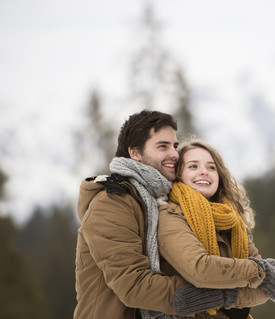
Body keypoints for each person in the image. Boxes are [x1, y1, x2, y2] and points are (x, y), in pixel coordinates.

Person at [74, 110, 258, 319]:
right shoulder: (111, 203)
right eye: (163, 146)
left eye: (175, 146)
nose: (174, 154)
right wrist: (222, 289)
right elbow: (134, 285)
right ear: (135, 152)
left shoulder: (164, 201)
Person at [155, 139, 275, 318]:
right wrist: (262, 271)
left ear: (219, 176)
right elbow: (200, 269)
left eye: (211, 167)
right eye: (193, 166)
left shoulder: (232, 220)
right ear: (179, 175)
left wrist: (224, 296)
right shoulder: (171, 214)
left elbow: (263, 292)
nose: (204, 171)